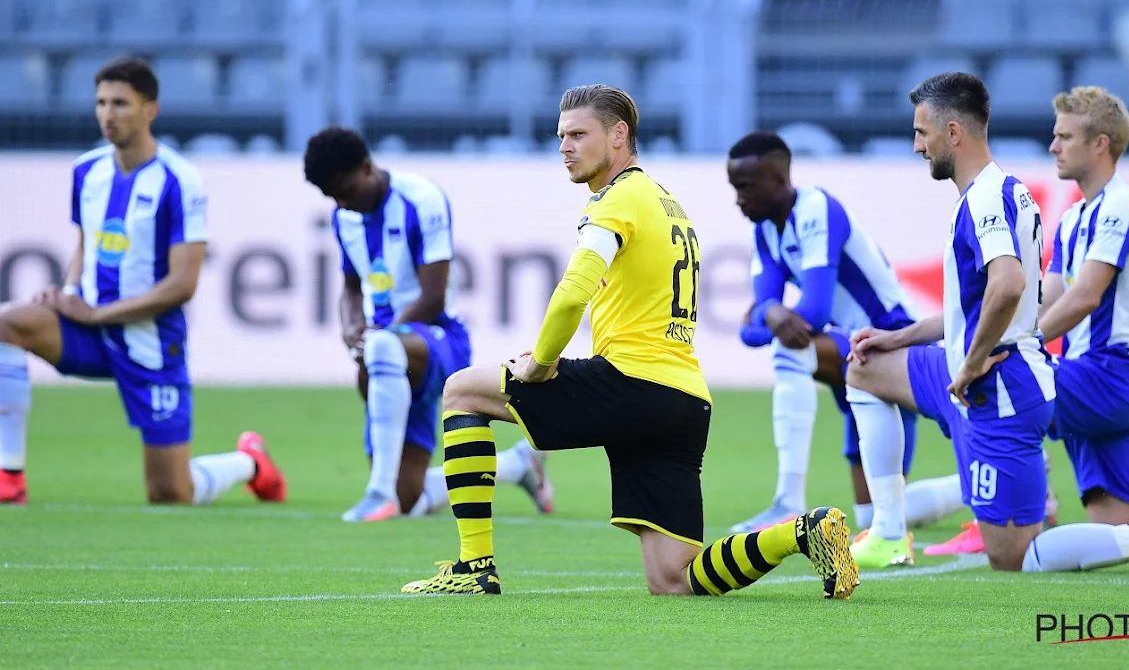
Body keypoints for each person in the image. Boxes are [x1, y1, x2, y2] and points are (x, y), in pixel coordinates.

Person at [399, 84, 859, 597]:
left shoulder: (617, 201)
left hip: (632, 383)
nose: (565, 147)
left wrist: (541, 364)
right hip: (683, 401)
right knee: (674, 579)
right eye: (560, 137)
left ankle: (473, 567)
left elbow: (573, 293)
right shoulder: (668, 204)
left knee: (462, 390)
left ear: (618, 136)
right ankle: (803, 532)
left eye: (578, 134)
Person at [845, 72, 1129, 574]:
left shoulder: (1002, 198)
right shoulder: (1040, 205)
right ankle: (887, 530)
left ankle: (1018, 487)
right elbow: (1018, 301)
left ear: (953, 132)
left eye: (923, 132)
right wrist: (900, 335)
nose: (917, 145)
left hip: (1048, 378)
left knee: (1015, 556)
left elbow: (1019, 289)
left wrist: (971, 362)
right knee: (865, 366)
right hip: (1016, 370)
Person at [0, 57, 285, 507]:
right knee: (6, 322)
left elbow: (182, 285)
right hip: (88, 331)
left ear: (149, 110)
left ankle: (250, 462)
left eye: (120, 103)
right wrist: (69, 292)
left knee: (170, 494)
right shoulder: (86, 171)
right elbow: (85, 244)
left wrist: (97, 312)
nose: (107, 115)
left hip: (150, 342)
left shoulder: (180, 180)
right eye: (100, 103)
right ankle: (9, 474)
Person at [303, 127, 553, 522]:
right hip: (389, 359)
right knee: (409, 502)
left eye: (345, 190)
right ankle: (518, 464)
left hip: (438, 340)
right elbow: (351, 287)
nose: (342, 203)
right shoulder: (344, 218)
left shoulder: (421, 199)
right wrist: (351, 326)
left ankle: (376, 492)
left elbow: (433, 296)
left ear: (367, 168)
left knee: (382, 350)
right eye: (332, 196)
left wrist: (382, 337)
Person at [726, 131, 962, 543]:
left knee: (791, 348)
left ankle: (788, 501)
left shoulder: (817, 209)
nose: (738, 199)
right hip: (852, 351)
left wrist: (770, 313)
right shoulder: (764, 229)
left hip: (893, 345)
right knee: (875, 514)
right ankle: (977, 490)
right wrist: (770, 311)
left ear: (779, 182)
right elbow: (752, 330)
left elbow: (810, 314)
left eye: (745, 187)